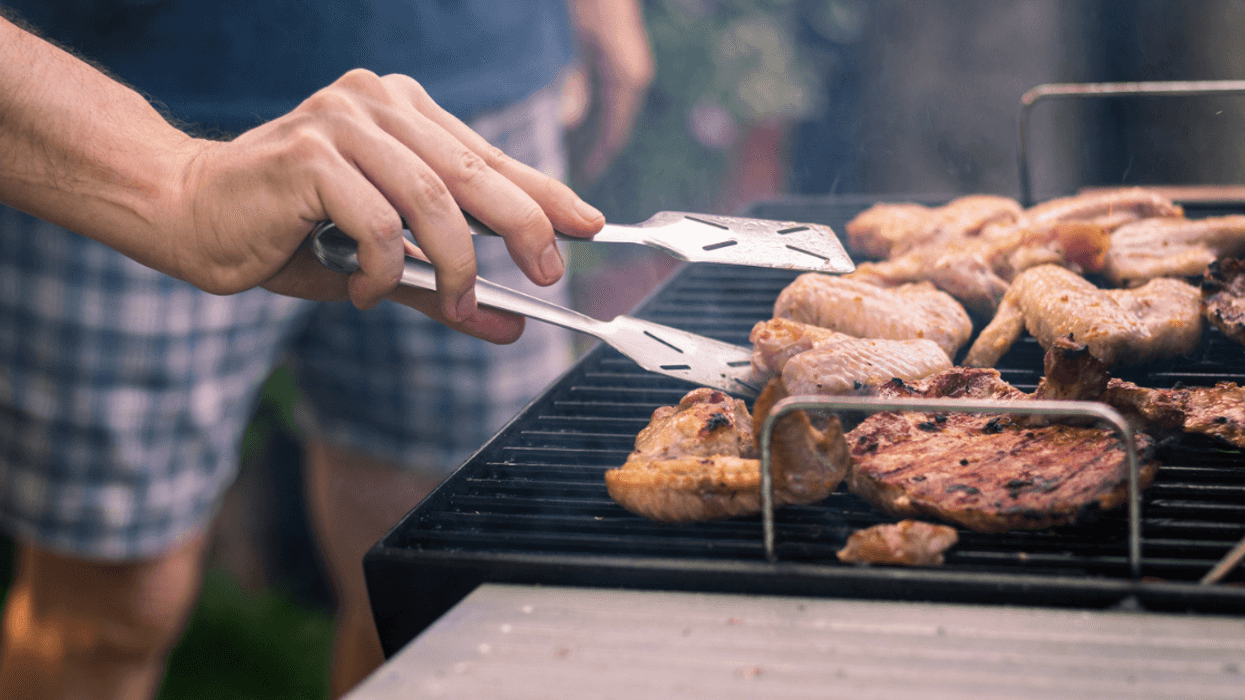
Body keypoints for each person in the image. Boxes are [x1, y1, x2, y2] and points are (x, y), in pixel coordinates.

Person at [0, 3, 652, 700]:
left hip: (465, 102)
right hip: (107, 112)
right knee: (109, 612)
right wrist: (175, 179)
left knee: (441, 594)